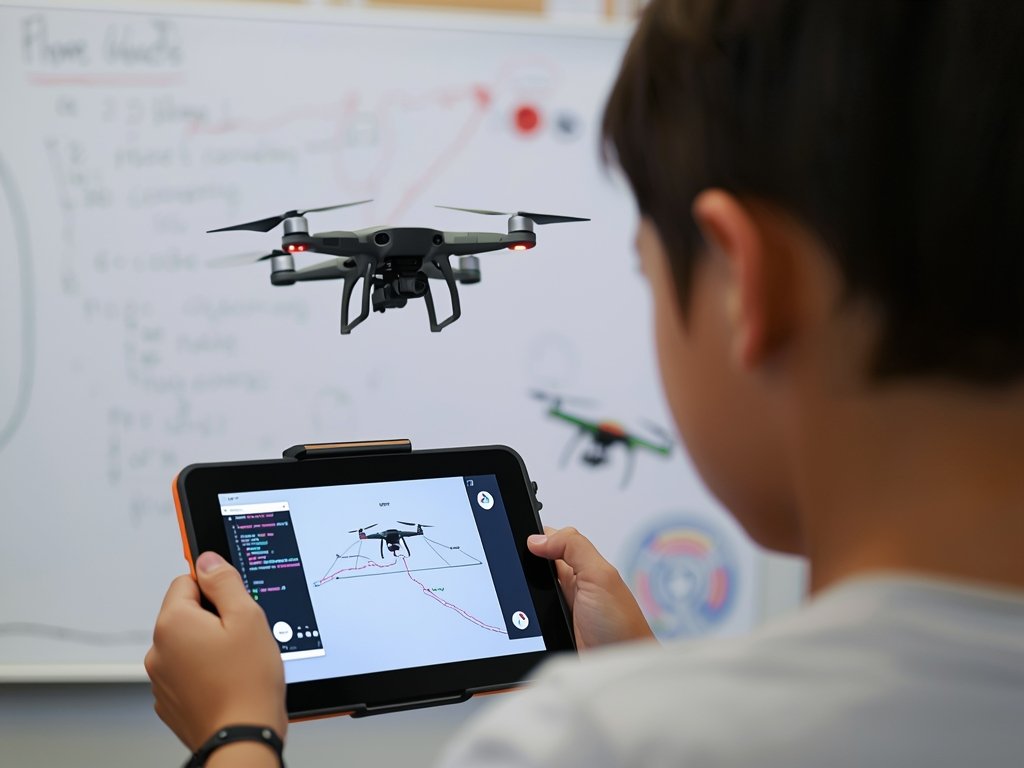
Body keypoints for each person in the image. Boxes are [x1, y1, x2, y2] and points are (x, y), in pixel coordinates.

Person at [145, 0, 1024, 765]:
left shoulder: (593, 743)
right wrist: (639, 673)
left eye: (646, 275)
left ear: (745, 287)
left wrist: (236, 735)